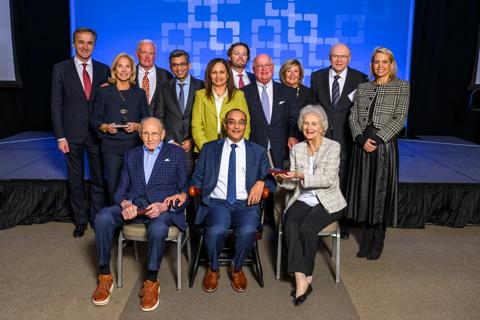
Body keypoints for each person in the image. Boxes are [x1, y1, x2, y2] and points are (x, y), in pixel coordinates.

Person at [91, 117, 187, 312]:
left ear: (162, 135)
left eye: (154, 134)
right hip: (134, 205)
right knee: (102, 217)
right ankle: (104, 276)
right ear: (140, 134)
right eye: (145, 133)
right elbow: (121, 190)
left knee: (159, 228)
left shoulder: (176, 153)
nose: (150, 138)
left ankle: (152, 281)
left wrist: (164, 206)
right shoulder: (131, 155)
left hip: (160, 207)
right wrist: (126, 203)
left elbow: (183, 189)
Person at [190, 109, 275, 293]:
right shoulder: (209, 148)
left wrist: (262, 181)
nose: (236, 126)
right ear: (225, 124)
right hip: (217, 203)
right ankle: (213, 268)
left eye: (241, 122)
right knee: (216, 230)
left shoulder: (258, 151)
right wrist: (191, 191)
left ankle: (236, 267)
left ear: (246, 125)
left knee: (248, 230)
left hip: (245, 205)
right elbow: (196, 178)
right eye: (232, 122)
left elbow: (271, 181)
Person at [274, 105, 346, 306]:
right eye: (305, 123)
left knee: (307, 226)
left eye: (314, 123)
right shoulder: (297, 149)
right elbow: (292, 184)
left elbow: (329, 180)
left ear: (322, 126)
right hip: (302, 198)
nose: (309, 127)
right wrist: (282, 179)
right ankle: (301, 279)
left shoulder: (333, 147)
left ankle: (308, 275)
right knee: (290, 222)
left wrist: (301, 175)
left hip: (328, 200)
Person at [347, 47, 410, 260]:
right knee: (363, 191)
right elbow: (353, 116)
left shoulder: (402, 86)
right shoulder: (363, 87)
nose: (380, 66)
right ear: (372, 65)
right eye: (376, 62)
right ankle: (365, 240)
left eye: (384, 62)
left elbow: (399, 118)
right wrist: (361, 139)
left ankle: (378, 239)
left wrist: (377, 139)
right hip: (362, 143)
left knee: (379, 193)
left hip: (384, 145)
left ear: (391, 64)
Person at [51, 27, 110, 237]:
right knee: (75, 179)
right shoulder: (61, 69)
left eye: (90, 43)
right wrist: (60, 136)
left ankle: (95, 218)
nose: (85, 46)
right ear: (74, 43)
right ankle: (80, 220)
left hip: (96, 134)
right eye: (81, 42)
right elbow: (56, 105)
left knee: (97, 178)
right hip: (71, 134)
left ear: (94, 45)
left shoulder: (104, 70)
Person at [309, 43, 368, 239]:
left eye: (343, 56)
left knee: (341, 178)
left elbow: (362, 111)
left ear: (349, 58)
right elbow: (312, 107)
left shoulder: (360, 79)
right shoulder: (317, 77)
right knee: (321, 175)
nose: (339, 59)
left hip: (346, 137)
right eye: (335, 56)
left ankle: (339, 221)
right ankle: (319, 217)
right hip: (321, 138)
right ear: (329, 57)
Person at [242, 53, 300, 226]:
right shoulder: (243, 93)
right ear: (253, 70)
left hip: (280, 146)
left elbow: (294, 118)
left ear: (273, 68)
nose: (264, 69)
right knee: (254, 184)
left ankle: (278, 226)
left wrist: (293, 135)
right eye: (259, 66)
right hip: (254, 147)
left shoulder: (287, 92)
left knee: (280, 190)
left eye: (267, 65)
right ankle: (255, 224)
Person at [91, 53, 149, 203]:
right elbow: (95, 119)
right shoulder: (103, 92)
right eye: (120, 66)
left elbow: (146, 119)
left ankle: (131, 220)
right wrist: (105, 127)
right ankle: (115, 220)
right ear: (114, 70)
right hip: (111, 147)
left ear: (132, 70)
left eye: (127, 66)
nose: (124, 70)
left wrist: (137, 126)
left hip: (134, 146)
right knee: (114, 186)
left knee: (134, 185)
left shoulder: (140, 93)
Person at [155, 49, 204, 177]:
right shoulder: (164, 88)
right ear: (171, 67)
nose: (179, 68)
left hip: (194, 150)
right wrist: (170, 141)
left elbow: (205, 118)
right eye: (175, 65)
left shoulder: (202, 86)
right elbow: (159, 118)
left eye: (182, 64)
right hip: (170, 147)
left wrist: (193, 141)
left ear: (189, 65)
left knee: (193, 190)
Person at [191, 58, 250, 152]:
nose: (218, 76)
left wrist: (239, 147)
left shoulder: (239, 95)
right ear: (209, 75)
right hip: (206, 147)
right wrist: (206, 149)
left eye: (221, 72)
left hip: (233, 147)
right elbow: (196, 126)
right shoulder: (200, 95)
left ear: (227, 74)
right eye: (214, 72)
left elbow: (245, 125)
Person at [135, 39, 173, 116]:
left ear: (155, 55)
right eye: (144, 52)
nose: (147, 57)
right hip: (134, 125)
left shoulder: (167, 76)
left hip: (157, 125)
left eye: (151, 53)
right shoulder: (128, 75)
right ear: (137, 54)